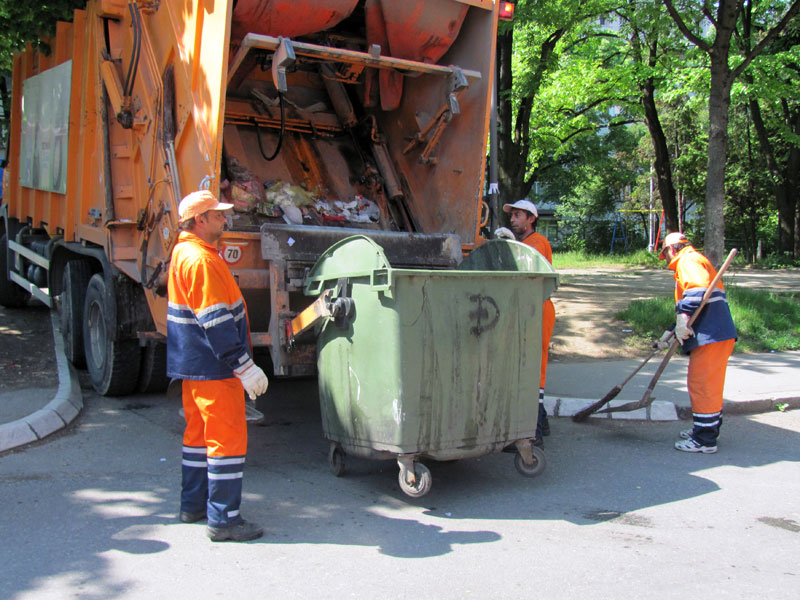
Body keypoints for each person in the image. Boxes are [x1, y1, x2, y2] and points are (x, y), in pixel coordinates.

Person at [167, 190, 269, 542]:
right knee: (226, 442)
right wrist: (244, 366)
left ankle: (192, 505)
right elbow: (216, 321)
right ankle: (224, 519)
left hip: (193, 367)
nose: (225, 220)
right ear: (200, 220)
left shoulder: (186, 253)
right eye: (218, 215)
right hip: (214, 369)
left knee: (197, 439)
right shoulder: (201, 261)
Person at [657, 232, 737, 454]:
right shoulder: (695, 260)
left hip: (711, 334)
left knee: (703, 387)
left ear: (671, 249)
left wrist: (682, 320)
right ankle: (705, 429)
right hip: (714, 333)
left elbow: (696, 292)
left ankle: (704, 440)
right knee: (706, 386)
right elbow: (693, 305)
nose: (668, 262)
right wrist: (671, 331)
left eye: (666, 255)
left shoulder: (689, 260)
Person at [496, 199, 555, 447]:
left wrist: (510, 246)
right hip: (531, 309)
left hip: (538, 309)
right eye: (512, 216)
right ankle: (541, 423)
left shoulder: (537, 243)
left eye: (518, 215)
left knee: (533, 367)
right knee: (528, 365)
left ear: (531, 219)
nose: (513, 219)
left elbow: (527, 273)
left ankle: (534, 433)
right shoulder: (528, 243)